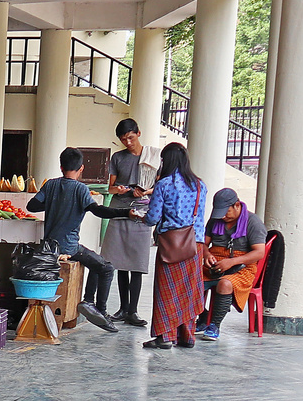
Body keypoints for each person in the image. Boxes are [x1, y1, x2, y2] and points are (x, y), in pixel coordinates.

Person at [26, 147, 118, 332]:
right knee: (106, 268)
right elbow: (97, 210)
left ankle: (89, 302)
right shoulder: (81, 189)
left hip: (49, 247)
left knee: (96, 262)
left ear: (61, 167)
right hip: (69, 248)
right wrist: (124, 213)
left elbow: (32, 206)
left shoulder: (50, 185)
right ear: (82, 168)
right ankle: (98, 308)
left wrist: (53, 203)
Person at [138, 142, 208, 349]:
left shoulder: (164, 184)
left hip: (171, 245)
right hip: (195, 245)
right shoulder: (200, 185)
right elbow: (200, 217)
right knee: (187, 291)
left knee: (167, 291)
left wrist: (140, 217)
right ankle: (187, 336)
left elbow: (152, 217)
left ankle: (165, 336)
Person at [100, 117, 157, 327]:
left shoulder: (154, 156)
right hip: (120, 209)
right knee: (119, 262)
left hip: (142, 211)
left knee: (137, 263)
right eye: (124, 139)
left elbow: (159, 185)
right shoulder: (117, 158)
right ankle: (123, 309)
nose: (128, 143)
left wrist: (145, 191)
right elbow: (110, 187)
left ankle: (133, 310)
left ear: (138, 133)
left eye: (131, 138)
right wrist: (121, 190)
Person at [196, 187, 268, 341]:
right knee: (191, 279)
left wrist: (232, 262)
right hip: (215, 264)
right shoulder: (216, 219)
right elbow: (202, 243)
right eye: (219, 213)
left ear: (237, 205)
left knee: (225, 284)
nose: (223, 217)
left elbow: (259, 252)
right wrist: (207, 254)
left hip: (242, 267)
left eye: (226, 212)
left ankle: (214, 325)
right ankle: (203, 317)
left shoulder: (253, 222)